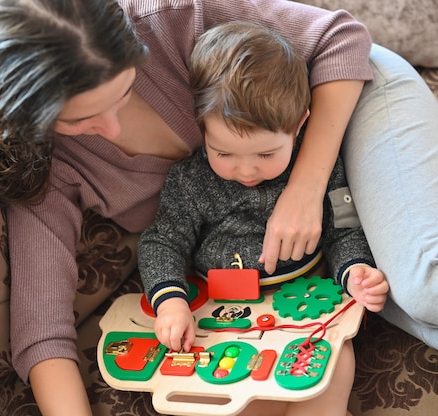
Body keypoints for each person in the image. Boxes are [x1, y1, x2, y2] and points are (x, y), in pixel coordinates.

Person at [0, 0, 438, 414]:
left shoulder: (173, 16)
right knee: (396, 304)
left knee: (430, 280)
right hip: (311, 245)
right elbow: (42, 329)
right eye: (79, 121)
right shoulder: (45, 168)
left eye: (122, 92)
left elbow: (342, 41)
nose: (109, 130)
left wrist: (305, 186)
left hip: (352, 95)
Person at [138, 21, 389, 416]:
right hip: (220, 321)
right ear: (201, 128)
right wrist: (170, 302)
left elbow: (345, 227)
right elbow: (162, 241)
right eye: (223, 153)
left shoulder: (323, 168)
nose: (245, 171)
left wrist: (356, 270)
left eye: (266, 155)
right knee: (234, 401)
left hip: (306, 310)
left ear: (299, 125)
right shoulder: (190, 181)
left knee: (335, 369)